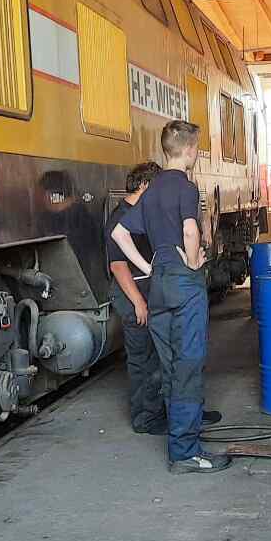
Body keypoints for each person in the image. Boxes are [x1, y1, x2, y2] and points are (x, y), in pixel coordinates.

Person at [111, 120, 231, 474]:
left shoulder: (150, 191)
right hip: (183, 283)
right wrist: (193, 261)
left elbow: (119, 233)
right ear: (190, 150)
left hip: (159, 286)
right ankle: (185, 453)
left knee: (171, 368)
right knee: (189, 366)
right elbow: (190, 230)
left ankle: (181, 443)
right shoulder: (185, 187)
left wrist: (147, 267)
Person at [106, 162, 166, 435]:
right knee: (142, 360)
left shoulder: (142, 213)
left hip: (147, 293)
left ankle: (158, 411)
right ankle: (144, 418)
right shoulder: (120, 218)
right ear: (144, 186)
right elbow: (118, 266)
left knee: (154, 357)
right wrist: (138, 302)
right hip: (132, 297)